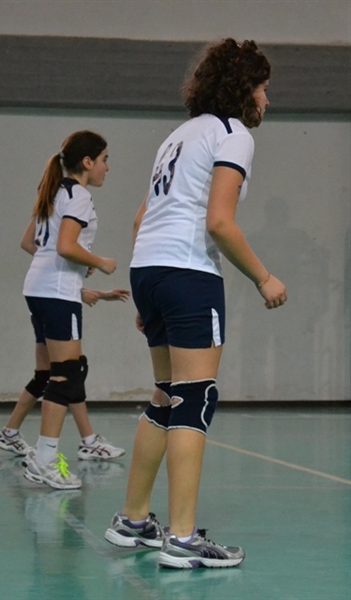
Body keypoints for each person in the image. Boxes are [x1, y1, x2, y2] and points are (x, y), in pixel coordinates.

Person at [104, 38, 287, 568]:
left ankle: (133, 520)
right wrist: (264, 277)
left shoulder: (178, 136)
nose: (267, 100)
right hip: (188, 271)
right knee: (194, 398)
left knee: (166, 396)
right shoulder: (233, 134)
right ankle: (182, 539)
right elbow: (219, 222)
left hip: (150, 267)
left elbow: (142, 217)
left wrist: (149, 296)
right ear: (244, 90)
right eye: (263, 89)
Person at [0, 129, 124, 490]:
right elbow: (66, 246)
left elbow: (31, 243)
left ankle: (83, 442)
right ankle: (45, 460)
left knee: (58, 371)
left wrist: (77, 269)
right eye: (104, 160)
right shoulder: (79, 195)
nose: (107, 168)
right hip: (56, 292)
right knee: (67, 374)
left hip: (38, 288)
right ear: (87, 162)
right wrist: (99, 262)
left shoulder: (54, 191)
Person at [0, 286, 129, 461]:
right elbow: (60, 273)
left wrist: (98, 294)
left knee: (45, 375)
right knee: (70, 372)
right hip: (59, 301)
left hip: (40, 299)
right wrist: (94, 274)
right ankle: (83, 444)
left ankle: (9, 433)